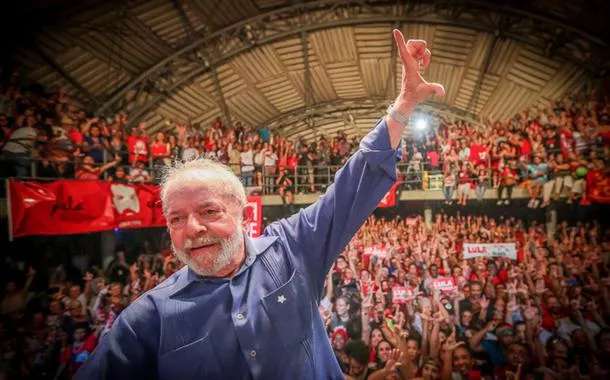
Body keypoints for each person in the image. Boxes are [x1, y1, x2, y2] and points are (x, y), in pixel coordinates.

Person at [74, 30, 445, 379]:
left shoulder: (292, 249)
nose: (192, 229)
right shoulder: (149, 317)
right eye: (176, 219)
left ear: (241, 211)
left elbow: (351, 189)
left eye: (208, 211)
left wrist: (403, 107)